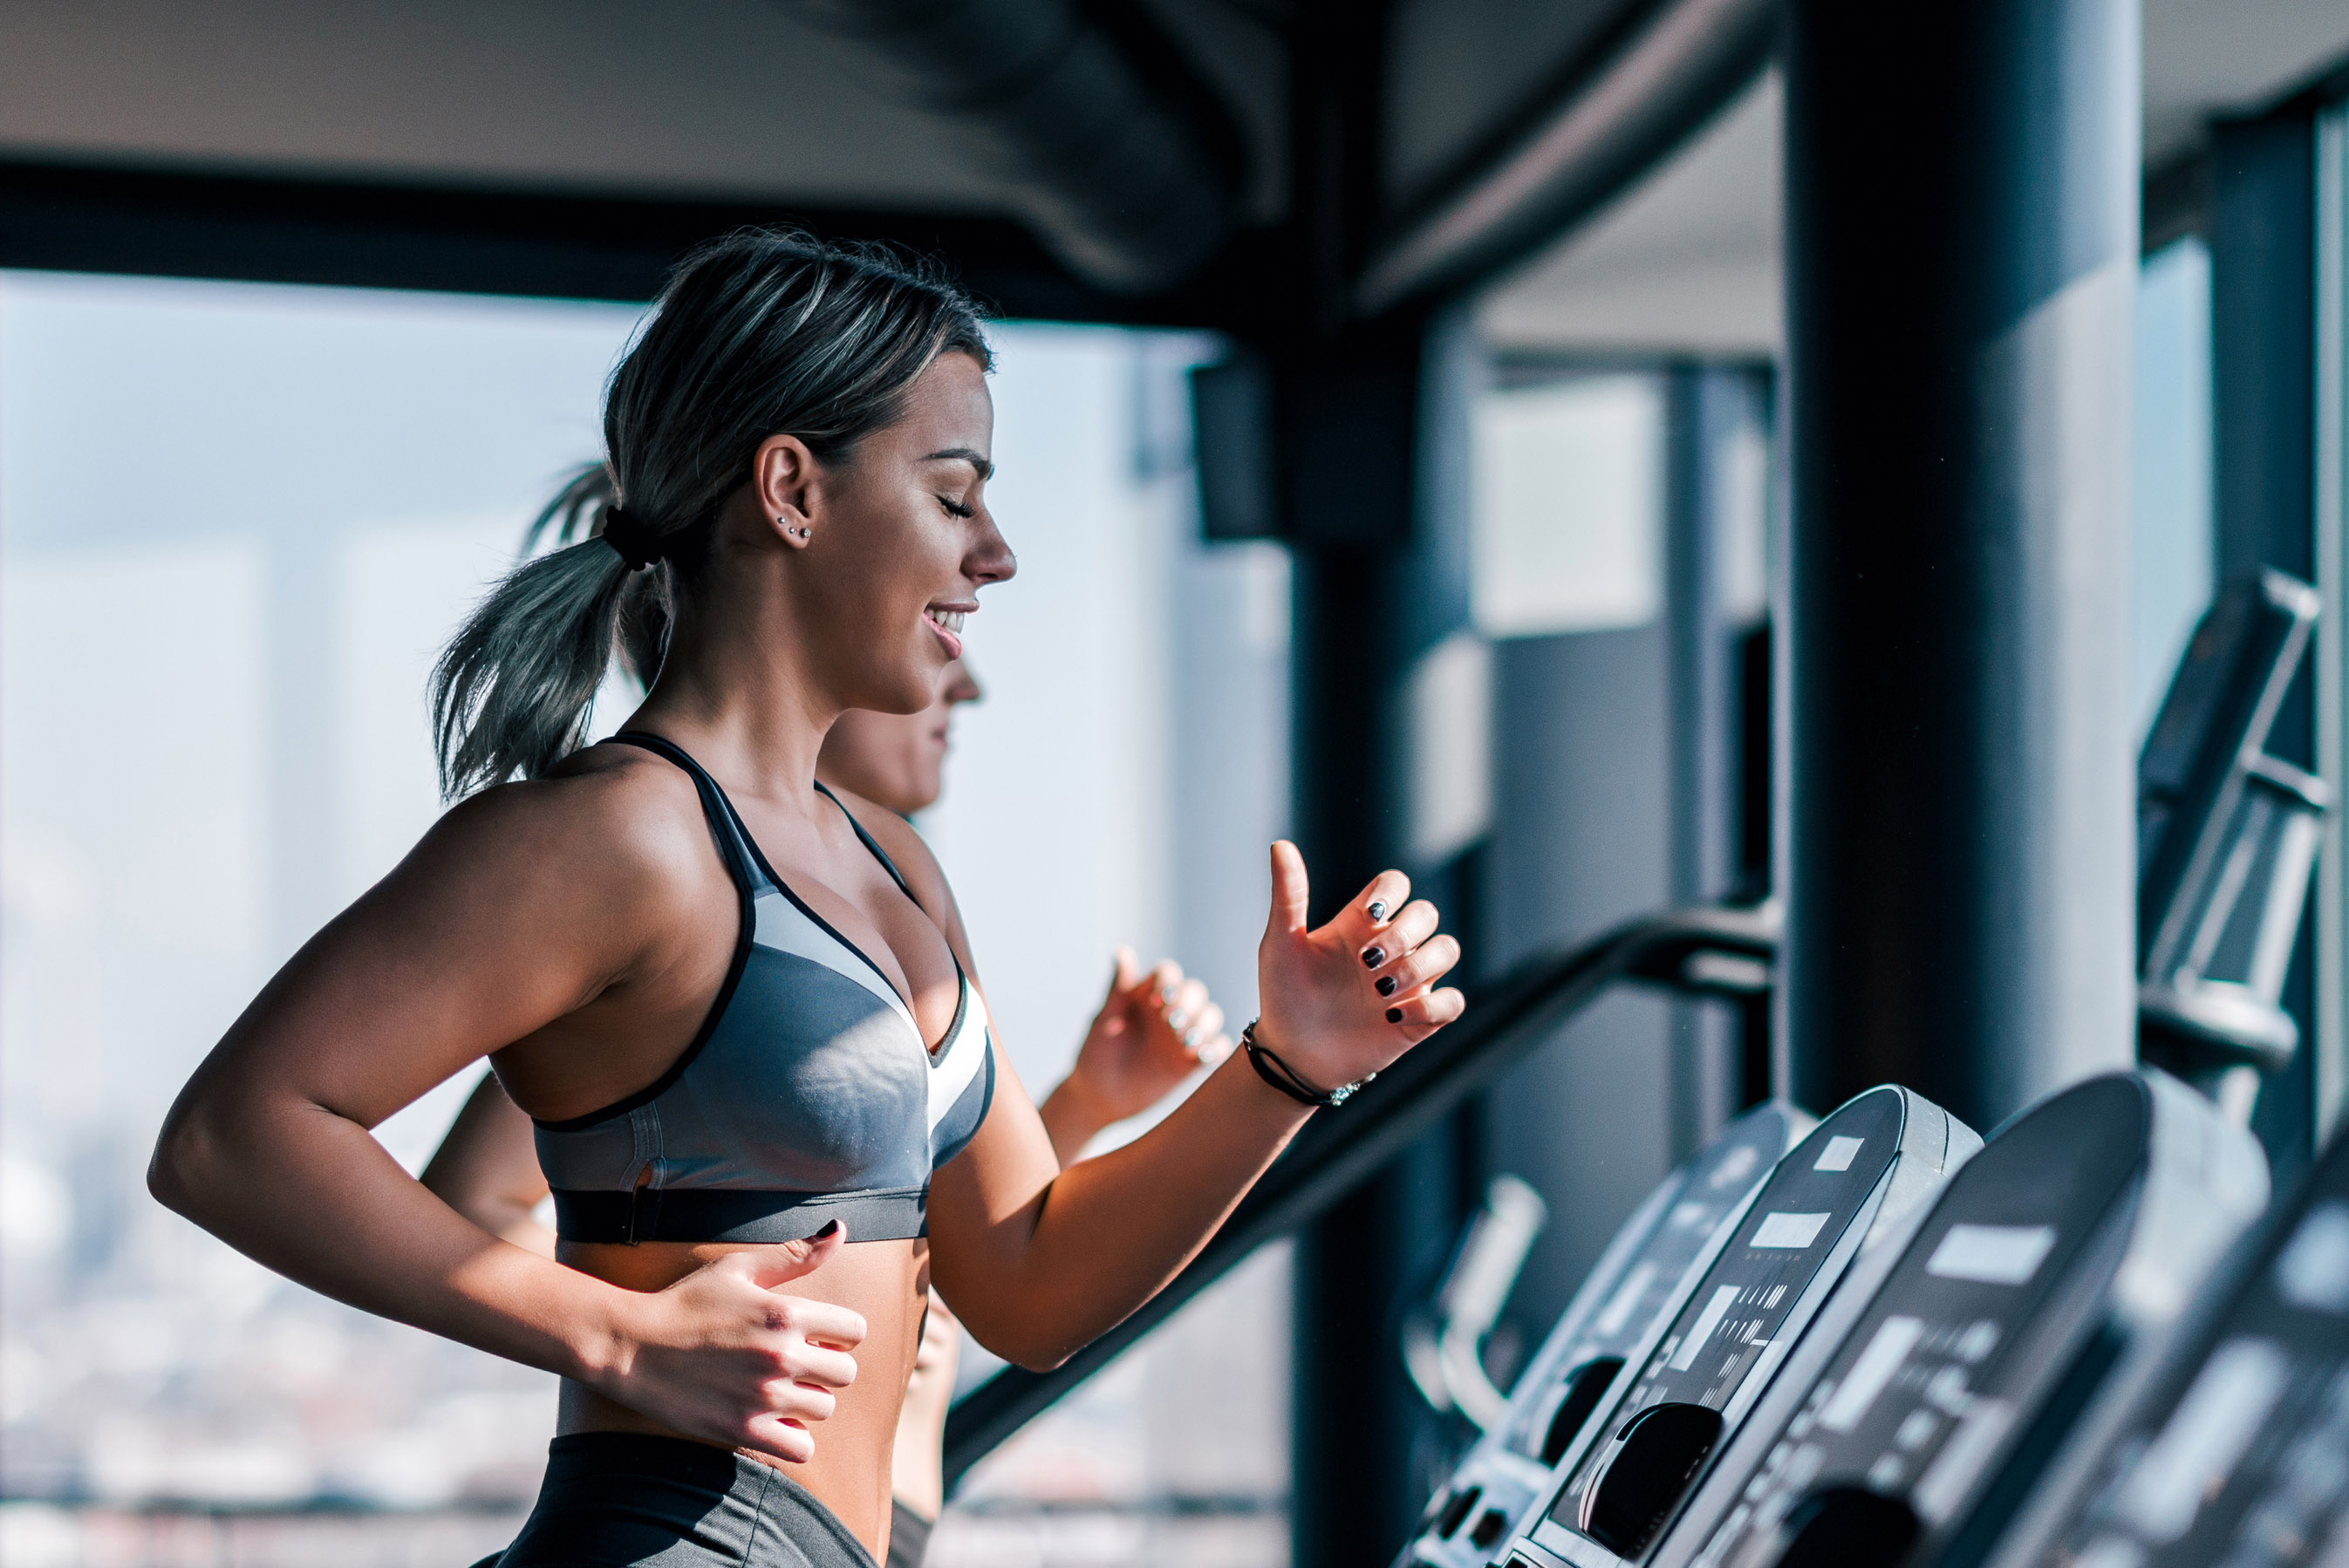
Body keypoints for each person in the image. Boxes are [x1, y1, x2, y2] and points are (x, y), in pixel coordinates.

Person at [148, 230, 1463, 1568]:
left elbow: (1027, 1278)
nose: (998, 553)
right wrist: (613, 1333)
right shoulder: (618, 837)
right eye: (955, 497)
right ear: (790, 488)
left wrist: (1286, 1066)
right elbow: (232, 1135)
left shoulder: (895, 865)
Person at [423, 657, 1230, 1565]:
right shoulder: (678, 901)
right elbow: (476, 1196)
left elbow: (949, 1249)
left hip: (865, 1529)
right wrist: (639, 1329)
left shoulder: (887, 892)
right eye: (940, 648)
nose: (965, 689)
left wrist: (1083, 1106)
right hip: (707, 1521)